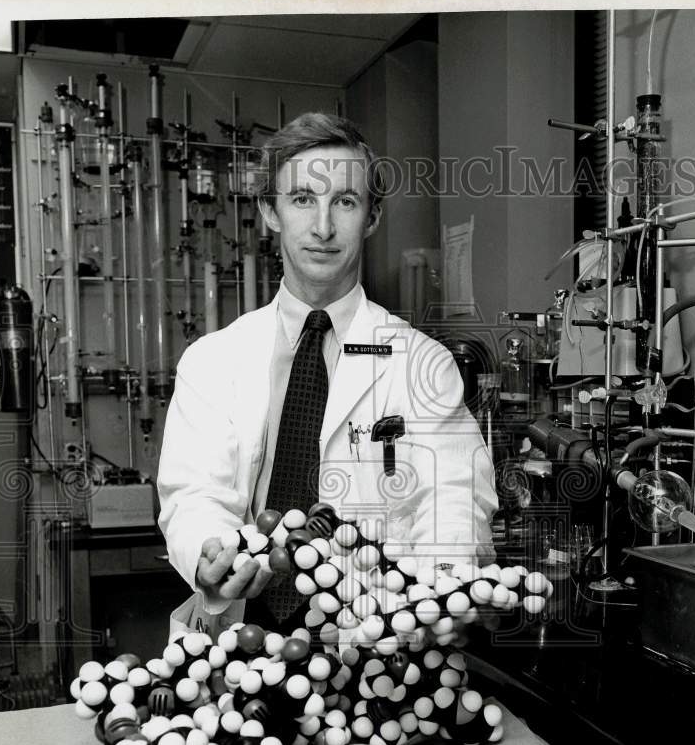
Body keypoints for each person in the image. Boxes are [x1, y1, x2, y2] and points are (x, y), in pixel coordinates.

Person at [157, 112, 497, 636]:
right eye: (301, 200)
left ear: (372, 217)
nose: (322, 227)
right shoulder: (213, 359)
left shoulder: (423, 363)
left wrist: (439, 596)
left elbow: (452, 498)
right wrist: (209, 552)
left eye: (344, 201)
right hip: (239, 637)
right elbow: (195, 493)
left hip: (373, 642)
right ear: (271, 212)